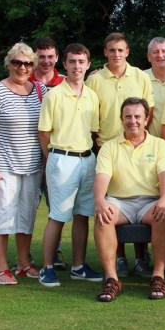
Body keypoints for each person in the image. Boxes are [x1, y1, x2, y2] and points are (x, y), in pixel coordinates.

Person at [0, 43, 47, 285]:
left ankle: (24, 264)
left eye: (28, 63)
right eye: (17, 62)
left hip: (32, 167)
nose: (22, 67)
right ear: (9, 64)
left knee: (26, 218)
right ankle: (1, 268)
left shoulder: (41, 91)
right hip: (2, 166)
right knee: (2, 218)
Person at [93, 98, 165, 302]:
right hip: (120, 202)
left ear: (146, 119)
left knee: (163, 214)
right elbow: (102, 178)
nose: (133, 121)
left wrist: (164, 199)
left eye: (138, 116)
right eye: (128, 116)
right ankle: (112, 279)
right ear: (121, 119)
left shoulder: (160, 145)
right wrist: (100, 200)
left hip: (150, 201)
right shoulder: (109, 147)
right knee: (103, 216)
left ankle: (158, 276)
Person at [37, 43, 102, 287]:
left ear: (87, 64)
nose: (77, 66)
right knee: (58, 216)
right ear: (64, 64)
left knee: (83, 215)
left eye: (81, 62)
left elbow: (93, 132)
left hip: (87, 158)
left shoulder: (92, 96)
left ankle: (78, 267)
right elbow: (44, 133)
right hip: (61, 158)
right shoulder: (53, 94)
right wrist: (51, 159)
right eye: (72, 62)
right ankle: (47, 267)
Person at [29, 36, 67, 270]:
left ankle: (54, 255)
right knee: (27, 207)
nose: (45, 61)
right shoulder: (24, 78)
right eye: (41, 57)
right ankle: (24, 257)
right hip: (30, 155)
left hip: (58, 156)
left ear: (57, 57)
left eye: (50, 56)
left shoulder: (65, 81)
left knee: (57, 208)